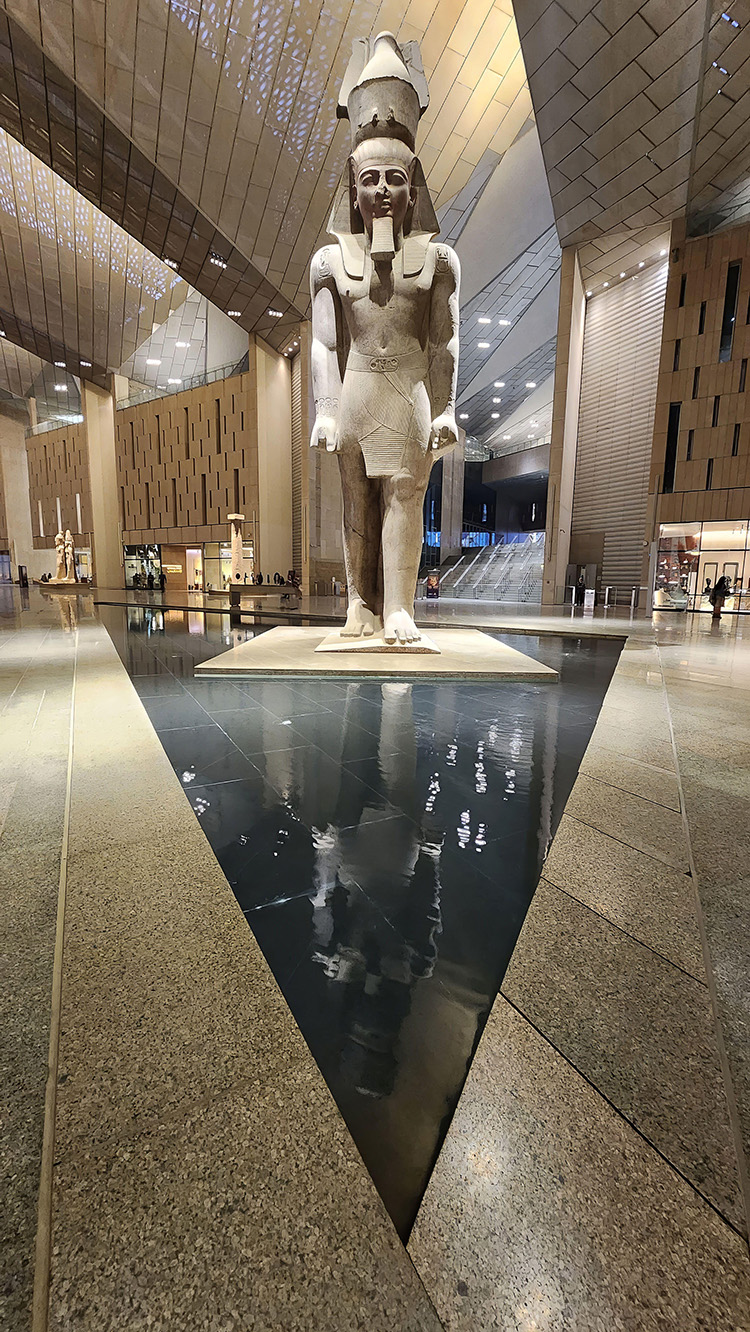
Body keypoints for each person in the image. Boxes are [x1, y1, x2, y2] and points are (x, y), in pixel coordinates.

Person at [310, 32, 459, 646]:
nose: (380, 192)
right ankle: (359, 604)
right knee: (356, 500)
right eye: (369, 179)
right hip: (357, 393)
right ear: (353, 188)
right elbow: (324, 345)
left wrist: (447, 409)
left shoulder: (439, 261)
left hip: (410, 390)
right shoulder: (329, 262)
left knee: (404, 496)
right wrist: (324, 410)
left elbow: (444, 342)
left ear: (412, 187)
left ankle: (398, 607)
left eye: (393, 180)